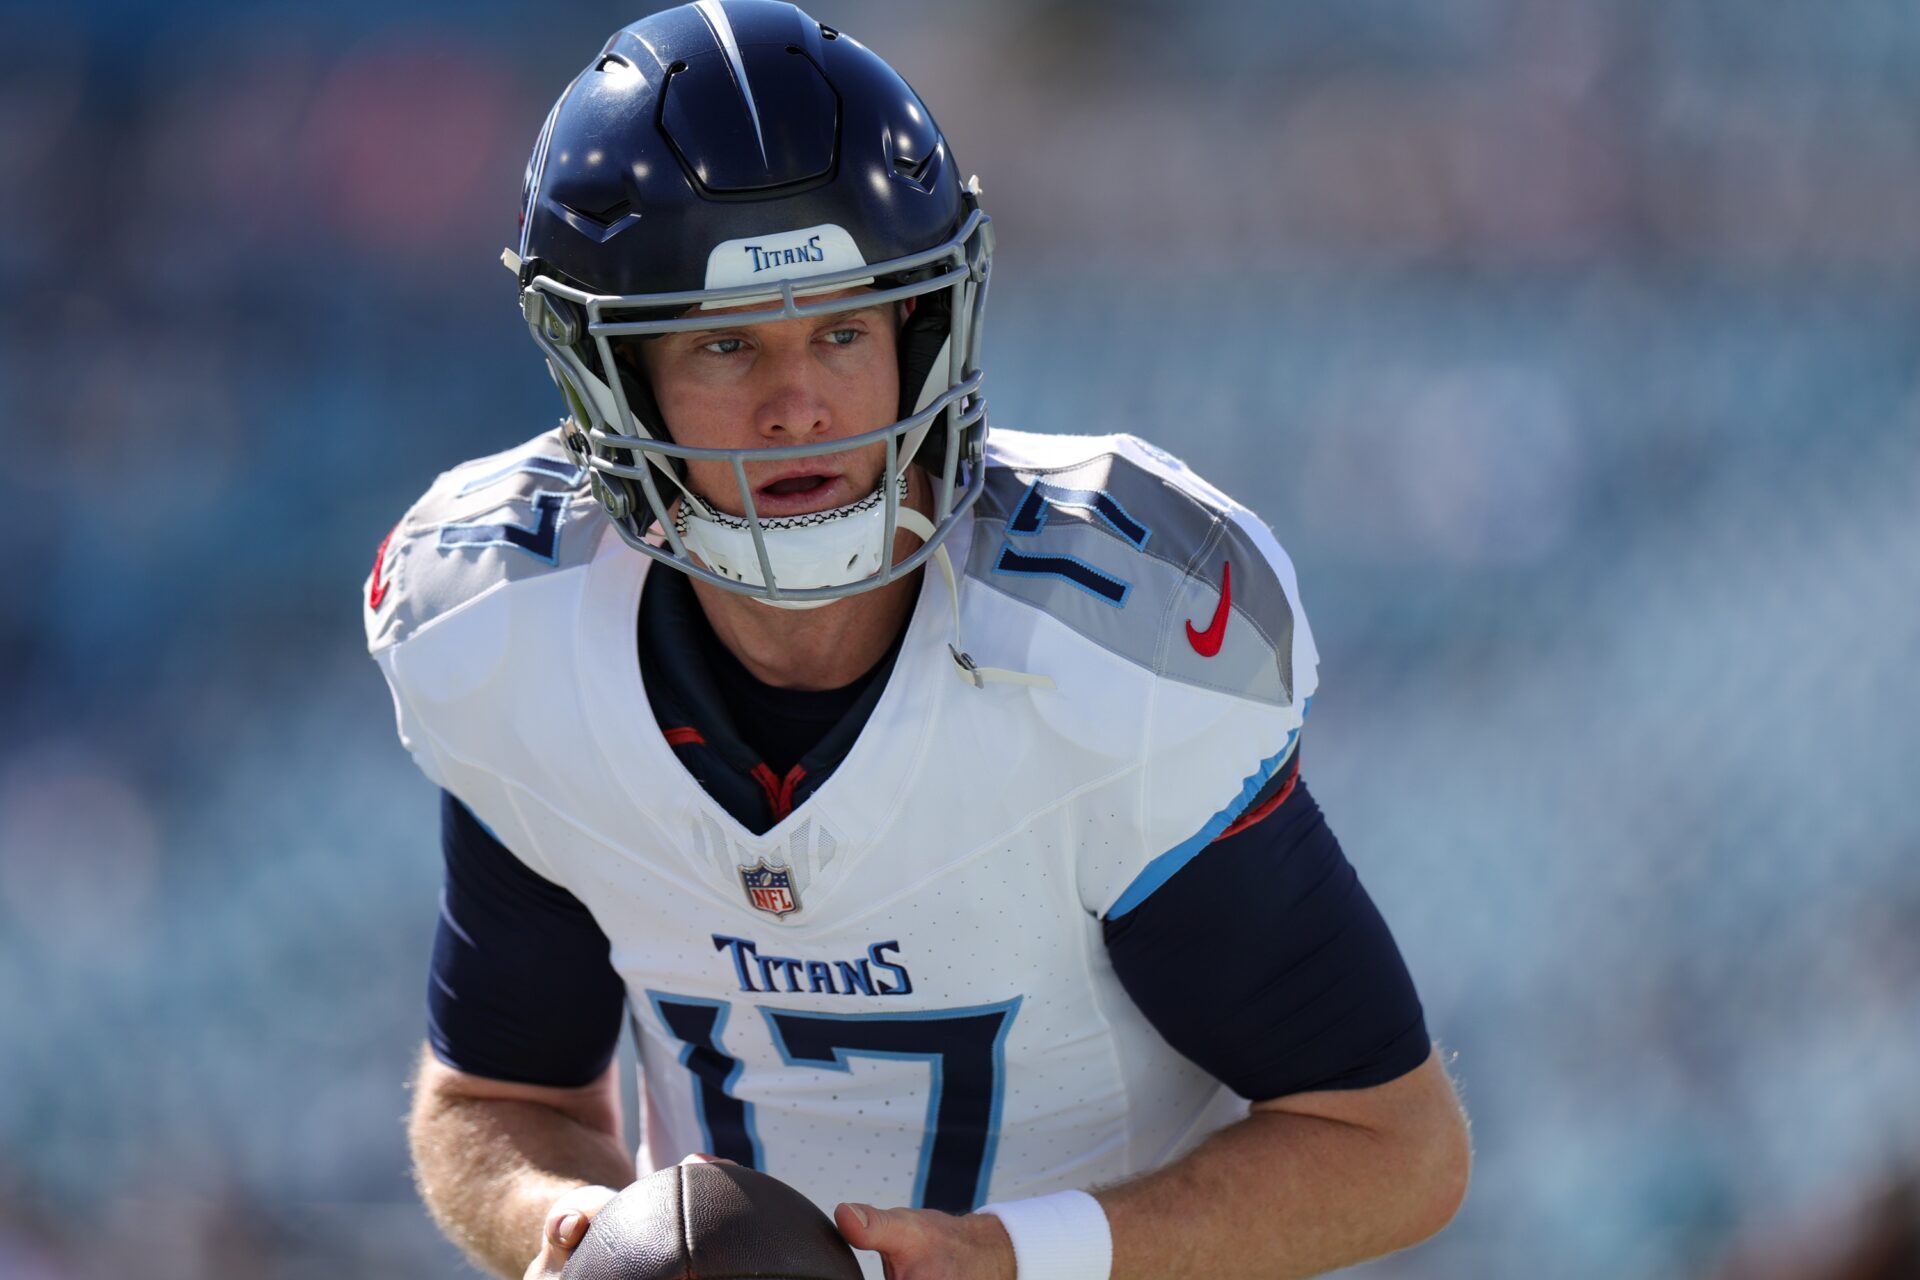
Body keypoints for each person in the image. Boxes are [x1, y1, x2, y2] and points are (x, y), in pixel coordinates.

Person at [365, 4, 1471, 1278]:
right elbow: (493, 1103)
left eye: (843, 328)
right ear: (610, 379)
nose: (800, 402)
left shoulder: (1106, 655)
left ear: (923, 332)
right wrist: (566, 1233)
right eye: (726, 343)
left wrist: (1024, 1256)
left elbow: (1393, 1141)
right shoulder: (513, 626)